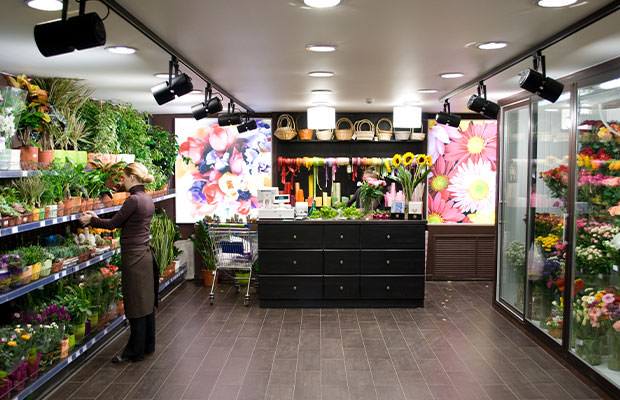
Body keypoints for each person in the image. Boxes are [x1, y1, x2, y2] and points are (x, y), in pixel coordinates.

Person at [79, 162, 156, 363]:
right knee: (146, 302)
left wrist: (92, 220)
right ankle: (148, 345)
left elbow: (114, 224)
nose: (122, 181)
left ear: (132, 177)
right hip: (145, 255)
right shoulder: (147, 198)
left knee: (135, 304)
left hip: (134, 258)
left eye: (124, 177)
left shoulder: (133, 200)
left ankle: (134, 351)